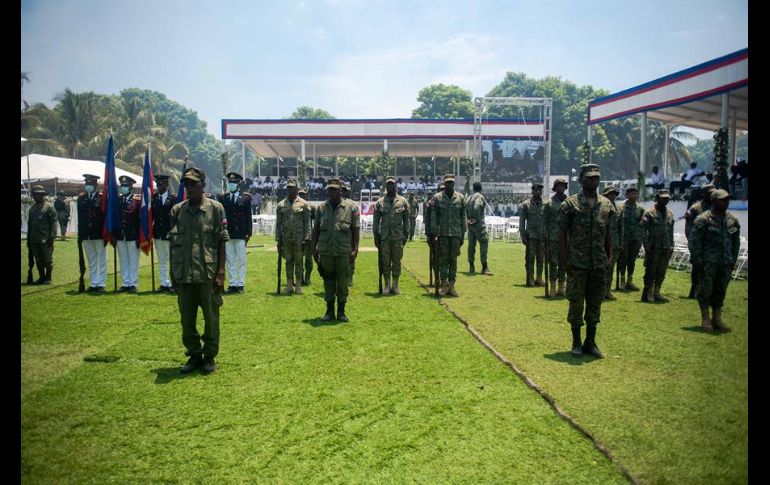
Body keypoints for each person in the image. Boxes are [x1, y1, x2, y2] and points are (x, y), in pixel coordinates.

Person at [170, 168, 228, 374]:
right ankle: (194, 354)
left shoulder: (216, 209)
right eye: (186, 185)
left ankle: (209, 356)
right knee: (187, 319)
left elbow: (222, 242)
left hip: (208, 274)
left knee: (211, 318)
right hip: (184, 274)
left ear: (203, 185)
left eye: (193, 184)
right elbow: (173, 245)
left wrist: (221, 273)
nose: (189, 188)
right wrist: (172, 273)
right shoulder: (178, 211)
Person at [559, 164, 616, 358]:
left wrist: (609, 256)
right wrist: (565, 260)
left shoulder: (606, 204)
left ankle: (590, 342)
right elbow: (562, 234)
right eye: (590, 177)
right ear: (581, 180)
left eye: (597, 177)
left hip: (598, 264)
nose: (594, 181)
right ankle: (576, 342)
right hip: (577, 263)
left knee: (595, 303)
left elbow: (607, 232)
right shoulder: (570, 204)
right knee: (576, 303)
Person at [689, 189, 741, 332]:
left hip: (725, 262)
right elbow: (695, 242)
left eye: (727, 199)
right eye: (722, 200)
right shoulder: (703, 219)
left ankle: (717, 318)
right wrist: (697, 260)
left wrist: (733, 260)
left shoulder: (732, 220)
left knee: (721, 290)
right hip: (708, 262)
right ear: (714, 201)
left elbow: (735, 243)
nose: (726, 202)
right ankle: (705, 318)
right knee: (706, 290)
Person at [311, 178, 360, 322]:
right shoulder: (321, 208)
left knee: (343, 282)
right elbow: (316, 230)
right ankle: (329, 311)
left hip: (343, 251)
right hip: (326, 250)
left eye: (335, 190)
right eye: (330, 190)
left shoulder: (351, 207)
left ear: (340, 190)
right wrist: (313, 248)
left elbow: (356, 229)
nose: (332, 192)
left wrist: (355, 249)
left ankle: (341, 312)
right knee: (328, 281)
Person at [429, 174, 466, 297]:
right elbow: (434, 217)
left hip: (455, 234)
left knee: (453, 260)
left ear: (454, 183)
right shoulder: (437, 198)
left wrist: (462, 234)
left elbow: (463, 217)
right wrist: (434, 234)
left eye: (451, 182)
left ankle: (452, 285)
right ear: (444, 184)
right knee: (443, 260)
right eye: (447, 182)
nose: (449, 184)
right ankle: (444, 285)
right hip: (443, 235)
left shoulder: (460, 198)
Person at [373, 176, 409, 294]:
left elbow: (406, 221)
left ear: (396, 186)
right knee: (385, 261)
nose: (390, 186)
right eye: (388, 184)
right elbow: (376, 221)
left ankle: (395, 284)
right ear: (386, 186)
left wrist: (406, 234)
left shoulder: (403, 201)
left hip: (398, 237)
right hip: (385, 237)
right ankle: (387, 284)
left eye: (392, 184)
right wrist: (376, 236)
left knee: (397, 261)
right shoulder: (380, 202)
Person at [218, 172, 252, 294]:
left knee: (241, 260)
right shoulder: (223, 198)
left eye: (233, 182)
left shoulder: (245, 198)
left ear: (238, 183)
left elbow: (248, 216)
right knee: (230, 260)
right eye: (229, 182)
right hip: (228, 233)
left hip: (241, 233)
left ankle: (240, 284)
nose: (231, 184)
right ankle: (232, 284)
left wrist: (249, 233)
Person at [275, 179, 311, 295]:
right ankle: (289, 285)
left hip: (299, 238)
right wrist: (278, 240)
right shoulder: (281, 205)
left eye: (293, 188)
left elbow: (307, 223)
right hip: (286, 238)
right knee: (288, 261)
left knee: (299, 261)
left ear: (297, 189)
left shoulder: (304, 204)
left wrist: (306, 238)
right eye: (289, 187)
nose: (291, 190)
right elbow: (278, 224)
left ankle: (299, 286)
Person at [640, 189, 675, 303]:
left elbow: (671, 231)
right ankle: (648, 292)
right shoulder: (649, 212)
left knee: (661, 271)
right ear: (657, 198)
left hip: (666, 246)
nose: (665, 200)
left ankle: (657, 292)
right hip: (654, 246)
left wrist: (672, 245)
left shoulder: (669, 213)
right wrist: (646, 245)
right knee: (651, 271)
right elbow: (642, 229)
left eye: (667, 198)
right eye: (663, 198)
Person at [684, 183, 715, 299]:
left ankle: (706, 291)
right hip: (698, 245)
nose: (713, 194)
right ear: (704, 194)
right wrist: (693, 244)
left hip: (712, 246)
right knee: (697, 268)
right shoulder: (695, 208)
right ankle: (694, 290)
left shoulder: (715, 207)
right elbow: (688, 228)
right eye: (710, 192)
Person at [77, 174, 107, 292]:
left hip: (98, 233)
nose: (88, 186)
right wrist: (80, 233)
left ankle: (101, 283)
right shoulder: (82, 198)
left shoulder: (102, 198)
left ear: (96, 185)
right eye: (87, 184)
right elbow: (80, 217)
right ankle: (93, 282)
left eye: (91, 184)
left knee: (101, 258)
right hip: (86, 233)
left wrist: (106, 234)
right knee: (91, 259)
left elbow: (105, 217)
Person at [542, 178, 568, 297]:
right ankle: (553, 286)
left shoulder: (569, 203)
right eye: (559, 186)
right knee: (553, 262)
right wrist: (545, 237)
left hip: (566, 237)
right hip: (553, 237)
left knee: (564, 262)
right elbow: (544, 222)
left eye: (563, 186)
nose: (561, 188)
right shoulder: (549, 203)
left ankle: (561, 286)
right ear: (555, 187)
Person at [27, 185, 57, 284]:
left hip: (45, 239)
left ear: (42, 195)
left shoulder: (49, 207)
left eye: (37, 195)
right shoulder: (32, 209)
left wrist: (52, 237)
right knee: (38, 260)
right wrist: (29, 239)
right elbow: (30, 225)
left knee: (48, 259)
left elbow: (53, 223)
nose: (35, 197)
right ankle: (41, 277)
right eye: (34, 195)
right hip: (34, 239)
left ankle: (48, 278)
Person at [152, 174, 177, 293]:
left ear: (166, 185)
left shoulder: (173, 199)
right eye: (157, 184)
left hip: (169, 234)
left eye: (161, 184)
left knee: (172, 260)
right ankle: (163, 283)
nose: (159, 186)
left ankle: (173, 283)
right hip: (158, 233)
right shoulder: (154, 198)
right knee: (161, 260)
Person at [115, 175, 141, 292]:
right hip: (120, 234)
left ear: (131, 187)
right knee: (123, 259)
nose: (123, 188)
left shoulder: (137, 201)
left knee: (133, 259)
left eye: (125, 186)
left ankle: (133, 283)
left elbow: (140, 220)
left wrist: (139, 237)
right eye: (122, 186)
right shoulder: (118, 201)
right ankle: (125, 282)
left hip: (133, 234)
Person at [617, 186, 644, 291]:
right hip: (624, 239)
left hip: (635, 239)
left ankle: (630, 280)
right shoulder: (621, 208)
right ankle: (622, 281)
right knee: (623, 260)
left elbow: (642, 224)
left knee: (632, 260)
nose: (634, 195)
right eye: (632, 193)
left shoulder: (640, 209)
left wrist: (641, 238)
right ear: (627, 195)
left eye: (636, 193)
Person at [520, 183, 545, 286]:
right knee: (530, 258)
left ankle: (539, 278)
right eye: (536, 190)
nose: (538, 192)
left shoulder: (546, 204)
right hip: (531, 235)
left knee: (541, 258)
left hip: (542, 235)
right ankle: (530, 278)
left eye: (539, 190)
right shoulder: (526, 204)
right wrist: (523, 235)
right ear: (532, 191)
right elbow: (522, 222)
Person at [465, 181, 493, 275]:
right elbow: (477, 207)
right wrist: (475, 218)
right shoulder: (479, 197)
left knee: (471, 246)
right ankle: (484, 268)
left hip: (470, 225)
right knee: (484, 243)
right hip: (478, 225)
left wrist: (469, 218)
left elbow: (465, 208)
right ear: (481, 189)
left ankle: (471, 266)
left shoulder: (469, 198)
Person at [603, 186, 621, 301]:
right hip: (602, 242)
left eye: (614, 194)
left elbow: (621, 227)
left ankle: (607, 290)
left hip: (614, 242)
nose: (612, 196)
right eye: (610, 194)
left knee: (610, 268)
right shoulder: (602, 207)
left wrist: (620, 243)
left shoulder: (618, 209)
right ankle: (599, 291)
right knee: (601, 268)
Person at [298, 188, 315, 285]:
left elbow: (316, 221)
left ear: (307, 196)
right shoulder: (295, 207)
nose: (301, 196)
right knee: (298, 258)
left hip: (309, 237)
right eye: (300, 194)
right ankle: (300, 277)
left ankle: (307, 277)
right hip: (299, 236)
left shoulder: (311, 207)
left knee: (309, 259)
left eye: (303, 194)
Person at [340, 181, 356, 286]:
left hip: (349, 235)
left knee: (350, 258)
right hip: (338, 236)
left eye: (346, 191)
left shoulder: (352, 205)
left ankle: (349, 277)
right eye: (343, 190)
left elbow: (355, 226)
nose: (345, 193)